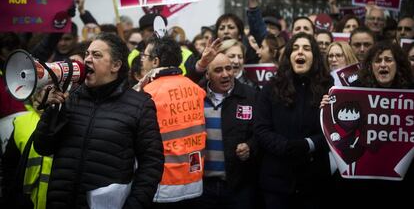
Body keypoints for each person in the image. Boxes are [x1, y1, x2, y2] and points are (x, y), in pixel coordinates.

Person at [33, 33, 164, 208]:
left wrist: (135, 204)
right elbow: (42, 147)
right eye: (87, 53)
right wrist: (51, 110)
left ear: (116, 65)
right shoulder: (70, 98)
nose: (87, 59)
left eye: (96, 55)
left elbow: (152, 164)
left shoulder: (139, 105)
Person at [321, 41, 414, 209]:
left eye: (388, 60)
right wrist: (328, 106)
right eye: (378, 61)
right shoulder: (355, 90)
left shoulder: (411, 93)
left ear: (398, 65)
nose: (383, 64)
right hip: (361, 181)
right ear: (370, 66)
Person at [254, 32, 333, 209]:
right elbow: (261, 128)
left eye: (307, 48)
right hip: (277, 182)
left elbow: (335, 128)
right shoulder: (271, 87)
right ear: (288, 56)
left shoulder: (329, 87)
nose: (300, 53)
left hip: (314, 182)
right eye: (295, 48)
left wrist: (309, 144)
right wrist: (285, 146)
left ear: (315, 57)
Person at [136, 36, 206, 207]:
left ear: (155, 61)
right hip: (194, 180)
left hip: (163, 184)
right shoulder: (195, 88)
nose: (141, 61)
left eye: (144, 56)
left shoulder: (147, 93)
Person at [195, 52, 258, 209]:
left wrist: (251, 146)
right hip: (203, 187)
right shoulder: (196, 97)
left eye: (228, 68)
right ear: (207, 74)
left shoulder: (250, 96)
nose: (225, 74)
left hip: (238, 187)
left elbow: (262, 132)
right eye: (218, 70)